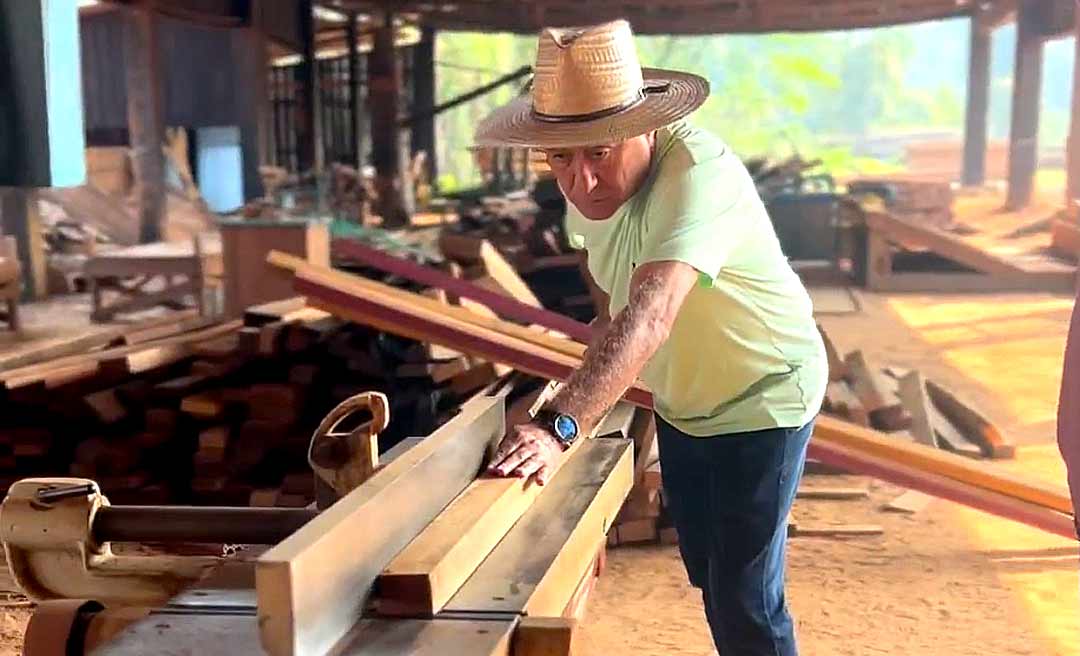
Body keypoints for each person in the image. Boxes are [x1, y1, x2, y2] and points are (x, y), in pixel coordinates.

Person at [478, 20, 826, 656]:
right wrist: (561, 394)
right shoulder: (585, 193)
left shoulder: (698, 174)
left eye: (599, 153)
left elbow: (652, 314)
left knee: (747, 595)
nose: (580, 181)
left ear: (642, 127)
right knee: (709, 575)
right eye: (560, 157)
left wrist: (561, 430)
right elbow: (613, 309)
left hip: (765, 391)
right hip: (684, 401)